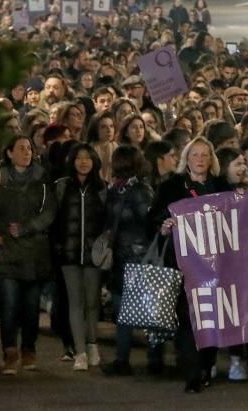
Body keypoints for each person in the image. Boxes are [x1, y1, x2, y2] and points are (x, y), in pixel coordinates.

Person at [0, 135, 57, 376]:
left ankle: (29, 349)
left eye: (29, 148)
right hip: (6, 251)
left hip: (35, 251)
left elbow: (50, 210)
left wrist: (29, 227)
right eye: (20, 148)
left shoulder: (41, 177)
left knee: (30, 305)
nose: (26, 152)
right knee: (9, 301)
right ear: (9, 153)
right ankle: (10, 351)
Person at [153, 137, 228, 393]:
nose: (200, 160)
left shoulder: (220, 186)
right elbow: (154, 216)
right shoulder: (172, 186)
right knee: (188, 319)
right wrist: (164, 225)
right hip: (183, 264)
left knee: (212, 317)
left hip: (215, 265)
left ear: (211, 159)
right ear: (187, 158)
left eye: (205, 155)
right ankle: (191, 373)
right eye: (195, 155)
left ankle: (207, 364)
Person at [52, 143, 107, 372]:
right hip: (69, 253)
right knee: (75, 302)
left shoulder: (101, 187)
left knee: (92, 301)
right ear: (72, 161)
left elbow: (106, 220)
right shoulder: (62, 187)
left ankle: (92, 343)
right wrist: (58, 246)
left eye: (88, 158)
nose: (83, 162)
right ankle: (80, 351)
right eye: (79, 158)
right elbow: (54, 219)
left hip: (93, 254)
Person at [102, 145, 155, 378]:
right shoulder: (130, 190)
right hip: (132, 256)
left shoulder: (124, 190)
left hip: (128, 257)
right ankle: (149, 360)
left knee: (129, 312)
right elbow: (149, 220)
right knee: (139, 312)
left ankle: (127, 360)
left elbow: (146, 219)